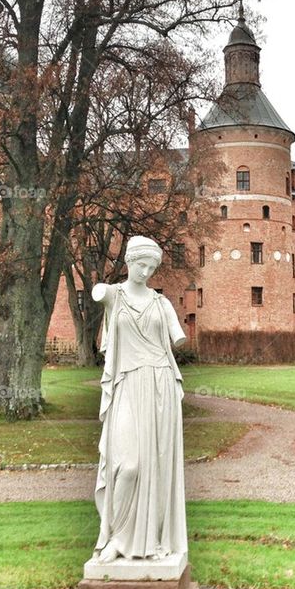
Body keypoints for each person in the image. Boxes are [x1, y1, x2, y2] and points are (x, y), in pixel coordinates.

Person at [90, 235, 189, 563]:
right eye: (140, 264)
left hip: (161, 387)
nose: (145, 271)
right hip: (127, 385)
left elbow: (177, 338)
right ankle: (116, 535)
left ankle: (150, 541)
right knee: (128, 465)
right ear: (129, 261)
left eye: (151, 266)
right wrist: (102, 292)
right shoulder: (114, 296)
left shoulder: (162, 304)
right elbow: (98, 292)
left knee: (156, 468)